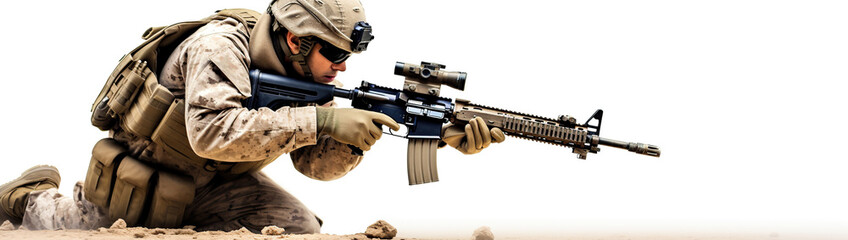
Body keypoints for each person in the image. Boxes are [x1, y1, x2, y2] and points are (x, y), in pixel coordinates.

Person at [0, 0, 504, 234]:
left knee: (299, 227)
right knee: (61, 224)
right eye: (334, 54)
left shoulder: (312, 78)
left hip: (216, 185)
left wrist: (419, 136)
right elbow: (210, 134)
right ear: (294, 39)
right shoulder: (221, 47)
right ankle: (29, 193)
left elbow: (314, 167)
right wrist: (324, 122)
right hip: (145, 179)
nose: (343, 68)